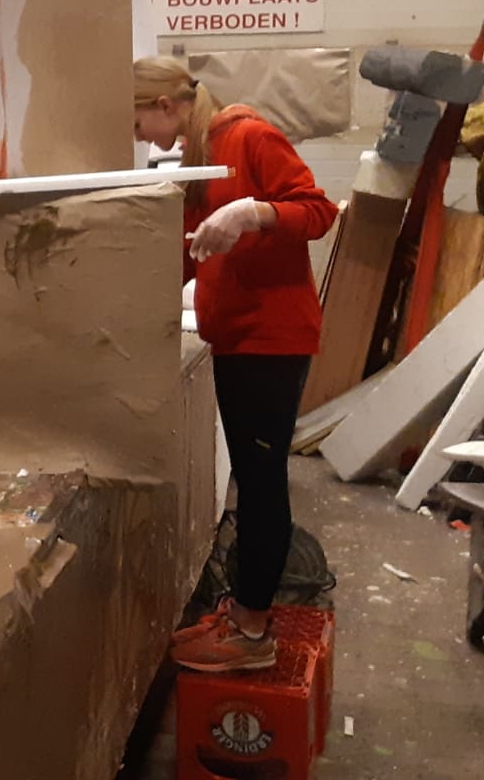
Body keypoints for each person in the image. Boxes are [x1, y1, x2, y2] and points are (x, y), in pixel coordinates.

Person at [134, 57, 338, 673]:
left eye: (137, 121)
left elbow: (318, 211)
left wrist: (254, 212)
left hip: (271, 339)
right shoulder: (198, 157)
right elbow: (190, 252)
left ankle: (251, 633)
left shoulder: (249, 137)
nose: (139, 135)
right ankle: (245, 612)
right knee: (251, 479)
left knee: (262, 481)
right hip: (236, 338)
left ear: (165, 105)